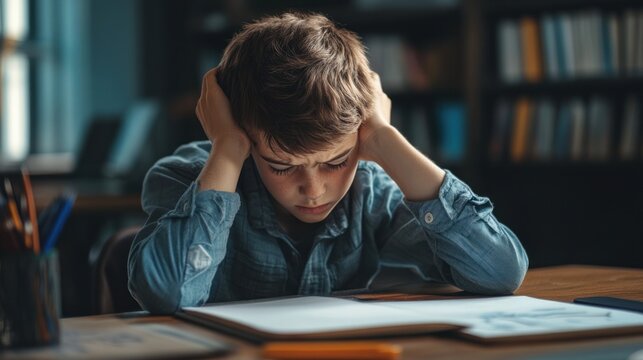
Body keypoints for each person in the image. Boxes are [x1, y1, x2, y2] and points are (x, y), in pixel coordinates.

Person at [128, 12, 528, 314]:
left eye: (336, 161)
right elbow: (167, 292)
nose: (314, 189)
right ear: (241, 136)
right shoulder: (186, 177)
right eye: (282, 166)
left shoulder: (370, 189)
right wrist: (227, 148)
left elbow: (501, 272)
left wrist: (385, 139)